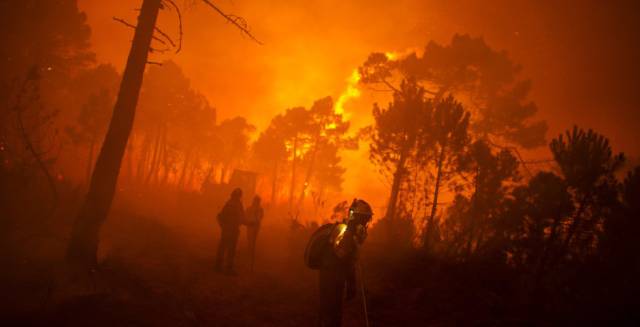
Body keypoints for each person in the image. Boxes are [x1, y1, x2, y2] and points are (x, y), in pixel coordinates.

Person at [317, 199, 373, 327]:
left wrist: (351, 283)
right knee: (330, 310)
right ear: (358, 217)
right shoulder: (346, 231)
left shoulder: (352, 231)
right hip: (330, 275)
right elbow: (343, 256)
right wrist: (351, 283)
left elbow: (349, 260)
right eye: (365, 218)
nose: (366, 222)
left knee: (333, 310)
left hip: (335, 276)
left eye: (367, 219)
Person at [215, 188, 244, 275]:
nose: (239, 197)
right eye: (239, 195)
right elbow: (241, 218)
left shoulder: (229, 203)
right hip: (232, 230)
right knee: (230, 250)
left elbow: (220, 216)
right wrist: (250, 223)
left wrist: (223, 227)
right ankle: (228, 268)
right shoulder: (237, 204)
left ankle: (218, 266)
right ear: (238, 196)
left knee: (223, 248)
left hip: (228, 230)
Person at [244, 195, 264, 271]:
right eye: (257, 201)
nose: (258, 202)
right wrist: (249, 222)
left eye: (258, 201)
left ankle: (251, 253)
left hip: (256, 227)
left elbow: (261, 216)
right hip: (250, 226)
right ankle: (249, 253)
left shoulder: (260, 209)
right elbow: (246, 215)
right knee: (249, 240)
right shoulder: (249, 208)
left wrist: (257, 221)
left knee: (253, 241)